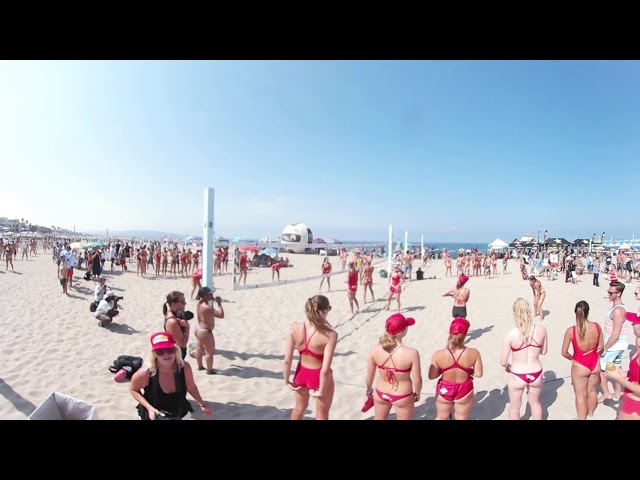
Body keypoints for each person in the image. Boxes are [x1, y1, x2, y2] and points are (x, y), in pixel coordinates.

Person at [130, 332, 211, 420]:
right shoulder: (145, 373)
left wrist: (202, 405)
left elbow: (191, 386)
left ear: (176, 350)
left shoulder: (184, 368)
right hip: (154, 415)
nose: (166, 354)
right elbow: (133, 389)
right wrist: (149, 408)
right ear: (154, 354)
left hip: (180, 411)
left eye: (169, 349)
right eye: (160, 351)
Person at [283, 295, 337, 420]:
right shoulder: (330, 335)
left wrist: (286, 380)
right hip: (318, 376)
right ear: (324, 311)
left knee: (298, 409)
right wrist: (322, 390)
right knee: (321, 415)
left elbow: (287, 360)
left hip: (301, 372)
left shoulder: (295, 327)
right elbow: (325, 369)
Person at [365, 313, 421, 420]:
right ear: (403, 331)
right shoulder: (411, 353)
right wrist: (417, 393)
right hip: (402, 394)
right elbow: (417, 380)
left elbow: (369, 375)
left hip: (381, 392)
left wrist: (368, 389)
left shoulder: (374, 349)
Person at [501, 298, 548, 420]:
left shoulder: (511, 334)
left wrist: (507, 366)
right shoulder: (541, 329)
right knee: (535, 403)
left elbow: (503, 361)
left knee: (515, 407)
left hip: (518, 373)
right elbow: (544, 351)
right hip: (535, 372)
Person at [429, 317, 483, 420]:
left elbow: (432, 376)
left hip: (445, 387)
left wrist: (443, 369)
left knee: (441, 416)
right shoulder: (474, 353)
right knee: (461, 417)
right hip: (464, 387)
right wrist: (469, 371)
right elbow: (479, 374)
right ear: (465, 335)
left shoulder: (438, 354)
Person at [560, 301, 603, 419]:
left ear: (576, 313)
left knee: (580, 396)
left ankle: (581, 418)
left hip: (580, 364)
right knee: (592, 390)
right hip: (594, 362)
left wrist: (573, 358)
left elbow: (564, 352)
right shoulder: (596, 326)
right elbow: (601, 347)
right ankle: (590, 413)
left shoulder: (571, 331)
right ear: (588, 312)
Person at [598, 281, 630, 402]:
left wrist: (605, 348)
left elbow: (615, 334)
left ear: (619, 293)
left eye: (611, 293)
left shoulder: (618, 310)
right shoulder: (617, 308)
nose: (609, 294)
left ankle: (606, 393)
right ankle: (617, 393)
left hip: (615, 345)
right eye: (608, 292)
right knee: (615, 367)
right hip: (619, 345)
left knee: (601, 368)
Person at [604, 317, 640, 420]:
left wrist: (619, 378)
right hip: (630, 402)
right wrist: (626, 373)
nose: (632, 324)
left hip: (635, 408)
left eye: (636, 322)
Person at [195, 286, 224, 375]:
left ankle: (200, 366)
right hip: (205, 332)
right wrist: (219, 303)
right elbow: (221, 315)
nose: (212, 295)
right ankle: (209, 370)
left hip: (199, 329)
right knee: (209, 352)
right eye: (210, 294)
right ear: (205, 296)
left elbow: (199, 318)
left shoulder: (199, 304)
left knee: (199, 348)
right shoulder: (206, 307)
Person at [163, 291, 193, 360]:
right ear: (173, 305)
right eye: (182, 301)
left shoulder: (170, 312)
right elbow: (182, 344)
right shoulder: (172, 322)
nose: (185, 303)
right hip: (176, 356)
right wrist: (187, 327)